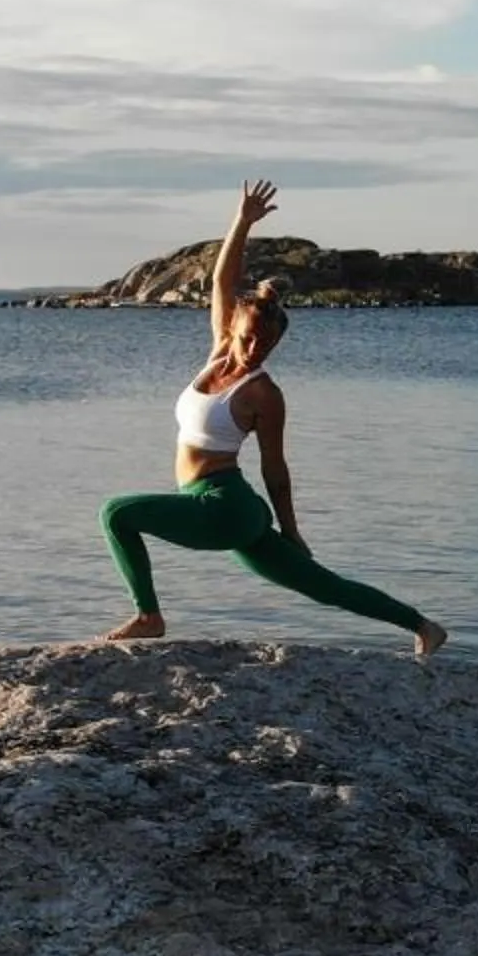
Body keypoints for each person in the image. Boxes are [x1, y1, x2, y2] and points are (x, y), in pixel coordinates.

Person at [99, 180, 447, 656]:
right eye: (248, 338)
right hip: (225, 508)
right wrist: (242, 221)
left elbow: (275, 469)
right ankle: (423, 626)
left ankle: (148, 617)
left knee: (117, 513)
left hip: (225, 507)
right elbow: (222, 281)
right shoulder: (218, 353)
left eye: (267, 345)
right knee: (320, 586)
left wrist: (292, 530)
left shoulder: (263, 393)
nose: (255, 349)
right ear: (234, 326)